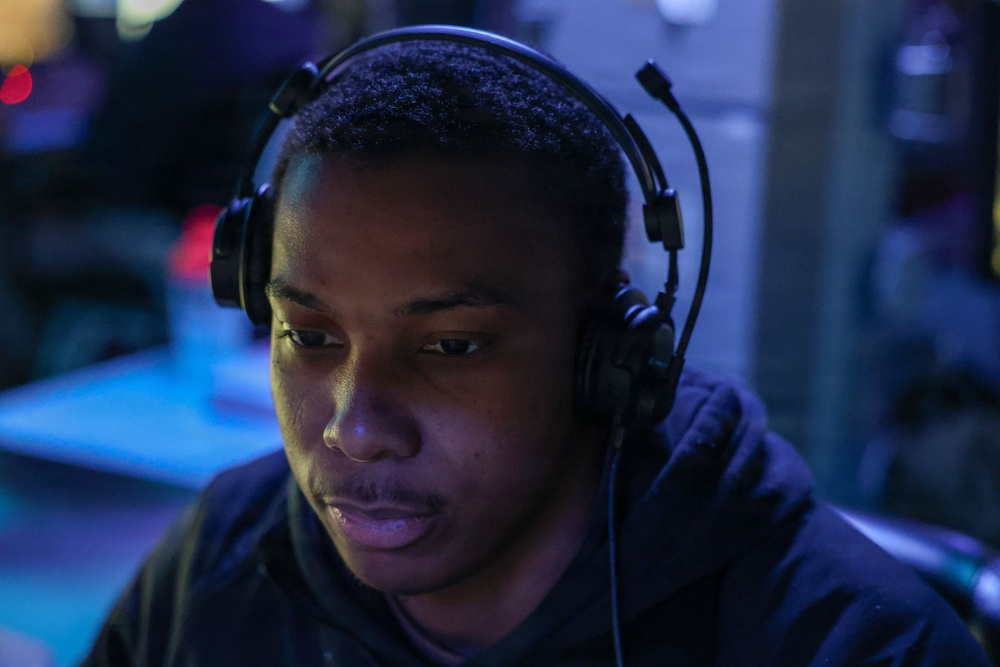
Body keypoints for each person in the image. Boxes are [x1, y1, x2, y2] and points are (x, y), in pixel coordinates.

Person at [81, 28, 991, 666]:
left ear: (606, 357)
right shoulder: (220, 559)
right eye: (310, 336)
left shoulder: (859, 645)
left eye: (451, 347)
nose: (356, 429)